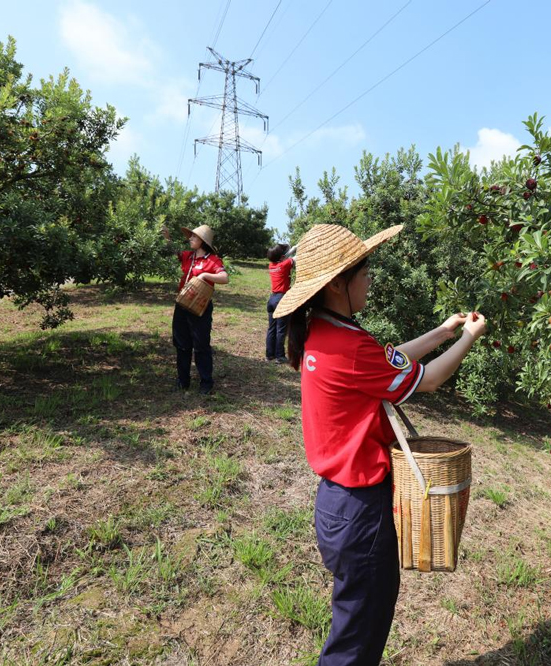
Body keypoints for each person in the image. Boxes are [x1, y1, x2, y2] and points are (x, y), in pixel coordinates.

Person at [273, 223, 487, 665]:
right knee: (356, 643)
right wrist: (469, 338)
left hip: (335, 505)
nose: (370, 279)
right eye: (364, 271)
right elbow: (427, 380)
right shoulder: (350, 347)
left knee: (352, 622)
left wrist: (442, 332)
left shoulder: (323, 332)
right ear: (336, 284)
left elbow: (384, 359)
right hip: (363, 514)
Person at [163, 224, 229, 394]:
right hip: (182, 305)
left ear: (203, 241)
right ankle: (183, 381)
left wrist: (205, 275)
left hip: (200, 308)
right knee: (182, 344)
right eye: (191, 236)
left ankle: (206, 383)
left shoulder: (212, 260)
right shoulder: (188, 257)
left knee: (201, 345)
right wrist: (166, 235)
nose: (190, 239)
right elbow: (172, 251)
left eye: (194, 237)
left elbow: (224, 277)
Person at [266, 242, 296, 363]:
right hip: (282, 299)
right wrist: (297, 247)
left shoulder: (271, 265)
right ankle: (280, 356)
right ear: (282, 257)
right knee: (281, 329)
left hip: (272, 299)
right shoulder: (285, 265)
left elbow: (285, 257)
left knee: (271, 328)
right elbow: (294, 258)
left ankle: (269, 355)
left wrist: (291, 249)